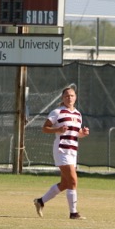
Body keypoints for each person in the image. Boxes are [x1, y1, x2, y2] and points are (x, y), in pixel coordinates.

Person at [34, 84, 90, 220]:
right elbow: (45, 128)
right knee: (73, 180)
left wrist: (82, 133)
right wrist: (57, 130)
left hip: (72, 151)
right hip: (61, 150)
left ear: (75, 98)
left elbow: (75, 134)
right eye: (66, 96)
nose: (69, 98)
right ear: (62, 98)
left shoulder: (78, 114)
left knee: (66, 183)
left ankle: (40, 201)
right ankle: (73, 213)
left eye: (71, 95)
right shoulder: (57, 112)